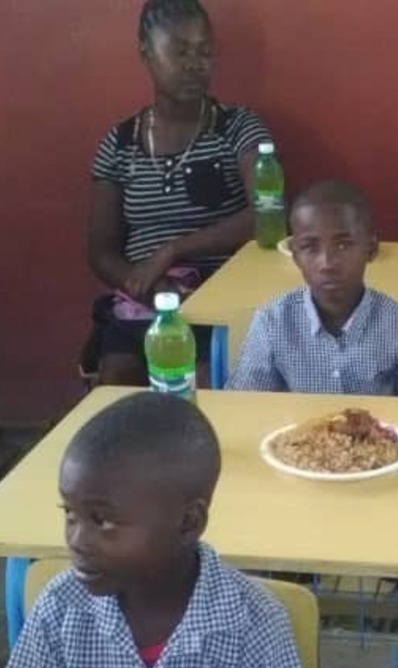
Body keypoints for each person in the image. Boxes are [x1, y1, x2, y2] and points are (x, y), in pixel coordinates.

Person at [0, 393, 317, 668]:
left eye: (103, 520)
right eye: (70, 514)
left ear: (188, 522)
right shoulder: (61, 610)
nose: (77, 540)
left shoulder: (254, 623)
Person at [85, 0, 272, 387]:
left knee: (203, 389)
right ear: (146, 53)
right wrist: (149, 286)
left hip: (221, 296)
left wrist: (174, 250)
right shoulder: (119, 144)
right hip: (142, 300)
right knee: (117, 386)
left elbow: (268, 215)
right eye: (180, 51)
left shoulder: (237, 128)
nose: (194, 64)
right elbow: (101, 250)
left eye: (204, 51)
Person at [229, 180, 398, 397]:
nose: (327, 262)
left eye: (343, 245)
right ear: (295, 256)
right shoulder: (272, 323)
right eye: (310, 247)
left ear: (370, 249)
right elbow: (244, 407)